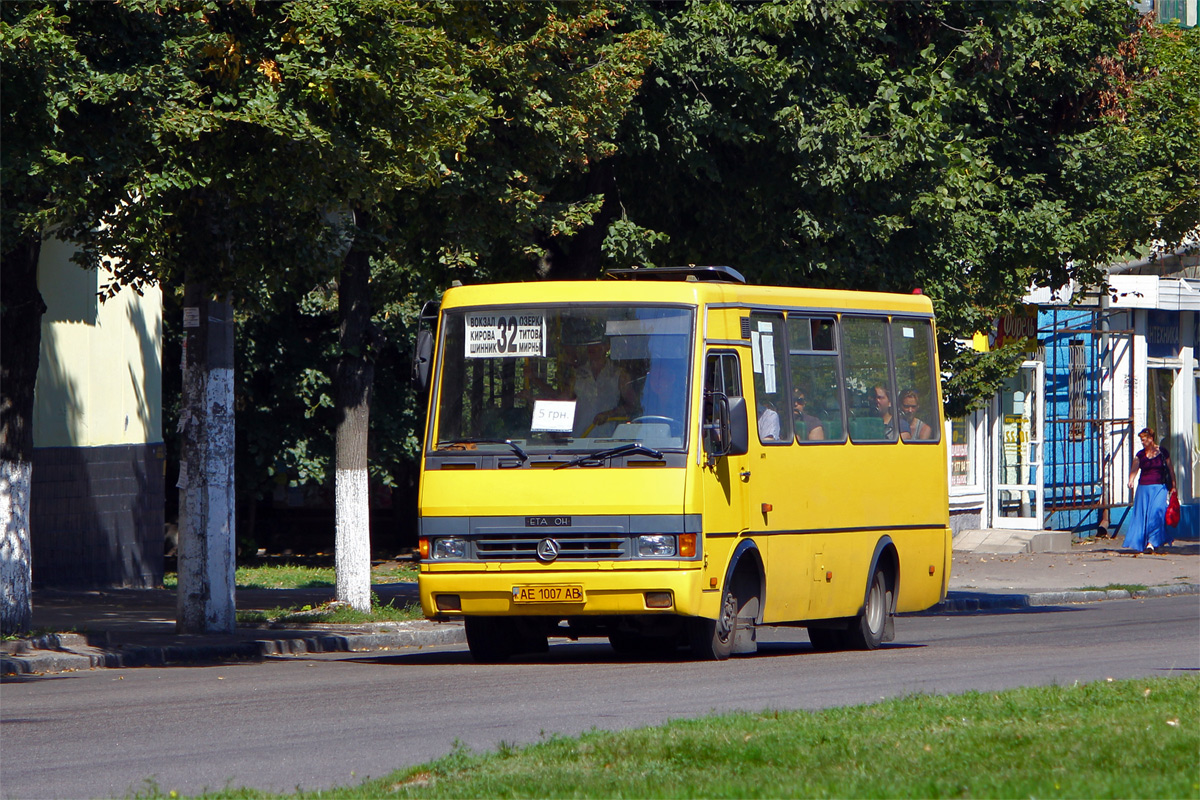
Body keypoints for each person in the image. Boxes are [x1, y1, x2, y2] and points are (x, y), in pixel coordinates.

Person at [1124, 427, 1176, 554]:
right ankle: (1144, 541)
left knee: (1156, 513)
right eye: (1141, 440)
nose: (1143, 442)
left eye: (1145, 439)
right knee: (1143, 516)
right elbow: (1134, 468)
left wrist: (1174, 486)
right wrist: (1131, 479)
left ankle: (1151, 543)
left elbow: (1170, 470)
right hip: (1143, 489)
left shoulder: (1163, 452)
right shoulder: (1140, 455)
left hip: (1160, 488)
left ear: (1151, 439)